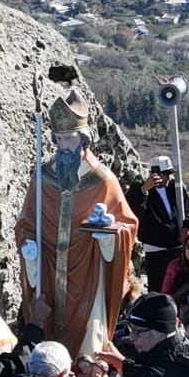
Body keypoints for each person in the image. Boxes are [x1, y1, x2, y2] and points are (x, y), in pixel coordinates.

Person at [15, 88, 138, 357]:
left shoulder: (103, 180)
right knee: (47, 341)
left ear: (83, 140)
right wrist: (29, 247)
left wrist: (108, 237)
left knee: (88, 349)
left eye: (69, 138)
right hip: (48, 273)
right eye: (59, 139)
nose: (64, 146)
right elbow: (26, 224)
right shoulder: (42, 179)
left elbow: (127, 226)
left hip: (89, 278)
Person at [127, 155, 189, 292]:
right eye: (165, 174)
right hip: (156, 251)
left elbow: (188, 209)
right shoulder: (141, 191)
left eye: (169, 174)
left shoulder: (175, 187)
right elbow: (134, 210)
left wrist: (188, 226)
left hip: (177, 247)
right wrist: (143, 190)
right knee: (158, 288)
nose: (168, 178)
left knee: (179, 287)